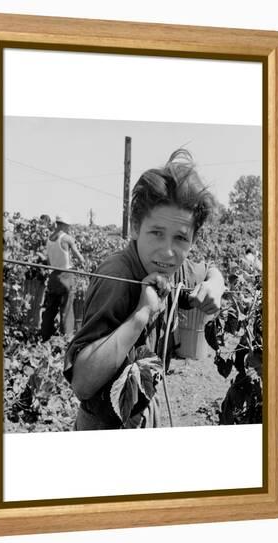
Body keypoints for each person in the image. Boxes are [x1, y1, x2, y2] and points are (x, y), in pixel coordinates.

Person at [64, 149, 225, 430]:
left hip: (147, 411)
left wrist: (215, 282)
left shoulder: (174, 267)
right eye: (156, 233)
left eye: (180, 238)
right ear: (136, 227)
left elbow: (206, 268)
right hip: (106, 425)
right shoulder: (116, 278)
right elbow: (82, 383)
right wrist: (141, 314)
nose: (168, 251)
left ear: (193, 239)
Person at [40, 214, 85, 341]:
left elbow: (49, 262)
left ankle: (45, 336)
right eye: (68, 225)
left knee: (50, 308)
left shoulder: (49, 239)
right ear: (64, 225)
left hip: (53, 277)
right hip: (66, 276)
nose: (69, 228)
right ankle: (67, 338)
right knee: (67, 309)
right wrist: (80, 262)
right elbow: (80, 258)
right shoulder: (67, 238)